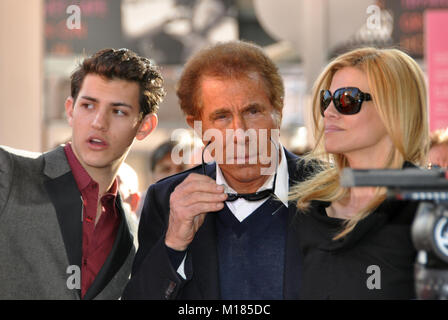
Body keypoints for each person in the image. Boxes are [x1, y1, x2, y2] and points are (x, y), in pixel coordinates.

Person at [122, 40, 311, 299]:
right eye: (222, 117)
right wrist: (174, 243)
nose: (240, 134)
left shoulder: (329, 190)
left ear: (278, 109)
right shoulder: (166, 201)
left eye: (253, 111)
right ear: (197, 126)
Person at [0, 48, 165, 299]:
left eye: (118, 111)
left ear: (144, 126)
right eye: (88, 105)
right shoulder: (9, 172)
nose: (99, 122)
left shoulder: (132, 232)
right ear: (70, 110)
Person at [290, 47, 429, 299]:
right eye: (326, 99)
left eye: (347, 100)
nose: (329, 112)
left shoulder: (427, 207)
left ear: (393, 109)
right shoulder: (308, 207)